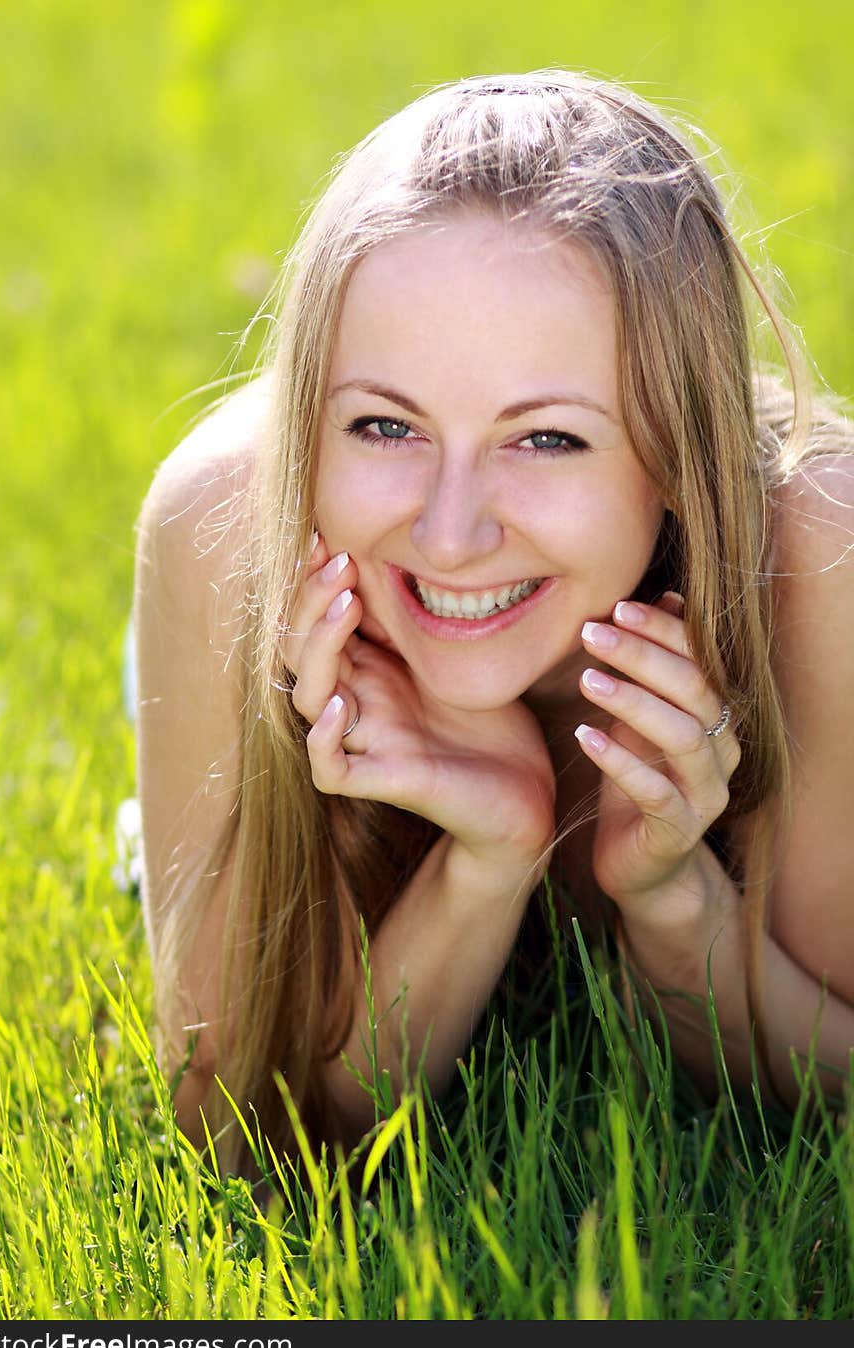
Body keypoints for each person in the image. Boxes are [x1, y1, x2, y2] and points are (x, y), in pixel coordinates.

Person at [131, 68, 854, 1178]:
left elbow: (831, 1091)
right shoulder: (227, 521)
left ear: (682, 451)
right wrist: (487, 856)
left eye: (547, 439)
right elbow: (243, 1131)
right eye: (383, 425)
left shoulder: (820, 552)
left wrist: (668, 898)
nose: (451, 533)